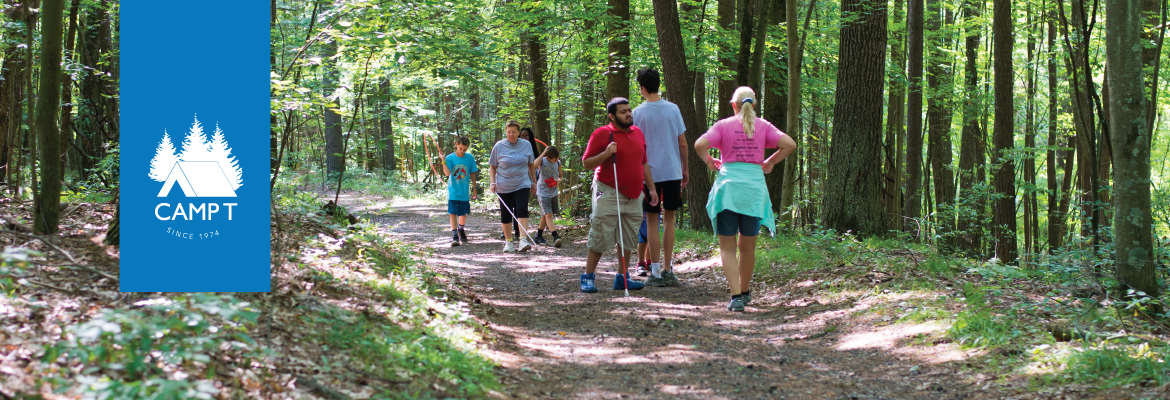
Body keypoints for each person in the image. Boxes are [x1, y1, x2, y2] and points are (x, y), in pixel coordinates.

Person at [694, 86, 796, 312]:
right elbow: (789, 144)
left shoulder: (723, 126)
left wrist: (709, 160)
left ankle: (736, 296)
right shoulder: (763, 126)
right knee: (748, 247)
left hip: (728, 191)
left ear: (734, 105)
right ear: (754, 105)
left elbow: (699, 144)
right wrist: (770, 161)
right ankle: (746, 291)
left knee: (727, 247)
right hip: (754, 191)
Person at [580, 98, 659, 293]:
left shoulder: (638, 133)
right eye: (623, 112)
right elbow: (587, 163)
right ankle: (588, 277)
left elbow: (644, 163)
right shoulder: (603, 134)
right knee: (600, 233)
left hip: (634, 194)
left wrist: (651, 188)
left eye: (629, 110)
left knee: (628, 236)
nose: (628, 114)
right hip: (608, 191)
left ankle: (622, 277)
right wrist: (606, 154)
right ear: (612, 116)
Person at [632, 68, 688, 287]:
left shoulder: (637, 113)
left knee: (652, 221)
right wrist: (685, 169)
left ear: (643, 89)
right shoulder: (673, 109)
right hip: (672, 170)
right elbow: (682, 142)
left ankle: (654, 271)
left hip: (649, 175)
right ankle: (668, 268)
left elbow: (636, 145)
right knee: (670, 219)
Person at [489, 120, 538, 252]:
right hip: (503, 185)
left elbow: (531, 164)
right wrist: (492, 182)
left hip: (522, 183)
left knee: (522, 209)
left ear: (518, 133)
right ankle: (508, 242)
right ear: (506, 132)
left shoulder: (526, 145)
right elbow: (492, 166)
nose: (511, 134)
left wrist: (534, 182)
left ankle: (523, 240)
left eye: (514, 132)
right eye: (508, 132)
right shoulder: (499, 146)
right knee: (506, 213)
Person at [443, 136, 478, 247]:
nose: (462, 151)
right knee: (453, 212)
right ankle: (455, 236)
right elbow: (447, 173)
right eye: (461, 148)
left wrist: (474, 188)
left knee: (462, 213)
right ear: (456, 144)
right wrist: (443, 160)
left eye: (465, 149)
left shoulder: (469, 158)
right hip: (453, 190)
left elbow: (472, 173)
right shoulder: (449, 158)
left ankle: (461, 229)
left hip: (464, 191)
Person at [533, 145, 563, 247]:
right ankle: (556, 236)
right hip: (542, 192)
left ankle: (538, 236)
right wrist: (543, 153)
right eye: (555, 159)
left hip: (553, 192)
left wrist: (558, 181)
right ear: (548, 158)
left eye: (558, 158)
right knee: (548, 215)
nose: (557, 160)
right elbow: (533, 165)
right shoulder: (542, 161)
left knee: (546, 215)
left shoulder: (558, 163)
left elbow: (561, 176)